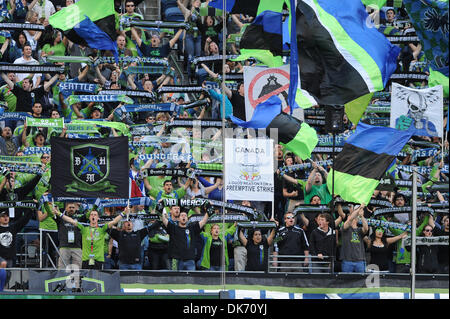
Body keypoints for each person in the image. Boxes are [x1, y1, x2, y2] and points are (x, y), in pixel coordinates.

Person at [52, 207, 127, 270]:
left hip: (98, 259)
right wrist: (59, 213)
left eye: (95, 215)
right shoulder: (84, 227)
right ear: (89, 217)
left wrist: (123, 213)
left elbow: (114, 221)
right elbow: (71, 221)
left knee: (97, 279)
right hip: (86, 259)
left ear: (98, 218)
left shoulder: (102, 228)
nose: (93, 216)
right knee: (85, 280)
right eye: (91, 215)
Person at [161, 203, 209, 271]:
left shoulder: (192, 228)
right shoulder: (173, 228)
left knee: (191, 280)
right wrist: (161, 209)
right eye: (182, 215)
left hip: (190, 260)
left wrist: (208, 212)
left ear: (187, 219)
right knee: (176, 279)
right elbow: (164, 220)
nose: (183, 217)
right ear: (178, 218)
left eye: (185, 216)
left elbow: (203, 222)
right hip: (176, 260)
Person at [339, 204, 368, 273]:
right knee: (346, 281)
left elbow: (366, 229)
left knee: (361, 282)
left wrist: (362, 216)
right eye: (349, 216)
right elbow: (350, 219)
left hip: (360, 261)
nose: (351, 218)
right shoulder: (345, 229)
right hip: (347, 261)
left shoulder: (360, 230)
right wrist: (360, 207)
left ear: (357, 220)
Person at [54, 202, 82, 270]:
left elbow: (89, 214)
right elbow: (52, 213)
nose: (71, 209)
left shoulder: (80, 218)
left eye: (73, 208)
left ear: (76, 209)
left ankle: (77, 281)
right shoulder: (60, 218)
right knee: (62, 268)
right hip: (64, 246)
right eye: (69, 207)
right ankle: (61, 280)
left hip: (77, 247)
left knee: (78, 268)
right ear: (66, 208)